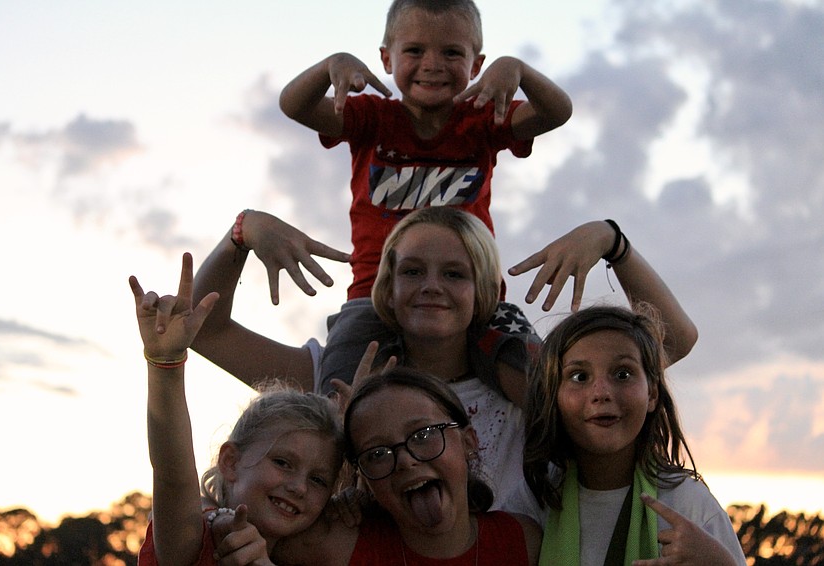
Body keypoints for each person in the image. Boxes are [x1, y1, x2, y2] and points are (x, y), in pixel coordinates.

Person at [191, 206, 698, 524]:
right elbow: (203, 329)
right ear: (386, 287)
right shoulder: (343, 374)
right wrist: (243, 232)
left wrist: (613, 242)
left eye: (453, 273)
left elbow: (670, 341)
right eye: (413, 271)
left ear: (484, 290)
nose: (431, 285)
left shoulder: (528, 380)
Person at [277, 0, 573, 394]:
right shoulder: (371, 118)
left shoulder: (483, 117)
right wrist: (332, 64)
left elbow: (557, 112)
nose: (432, 64)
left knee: (549, 390)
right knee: (340, 395)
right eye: (415, 51)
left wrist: (518, 69)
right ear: (386, 58)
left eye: (452, 52)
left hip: (475, 298)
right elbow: (293, 105)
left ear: (476, 65)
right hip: (375, 293)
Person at [129, 254, 345, 566]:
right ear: (230, 461)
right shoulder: (197, 541)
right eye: (283, 462)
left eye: (318, 480)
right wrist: (166, 365)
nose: (298, 487)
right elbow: (172, 475)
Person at [522, 305, 747, 565]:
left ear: (652, 393)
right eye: (579, 376)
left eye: (622, 374)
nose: (601, 392)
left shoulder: (687, 505)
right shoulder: (535, 498)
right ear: (554, 396)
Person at [264, 367, 543, 565]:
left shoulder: (524, 541)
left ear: (469, 442)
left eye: (423, 435)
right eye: (377, 453)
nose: (406, 460)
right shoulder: (334, 546)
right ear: (363, 476)